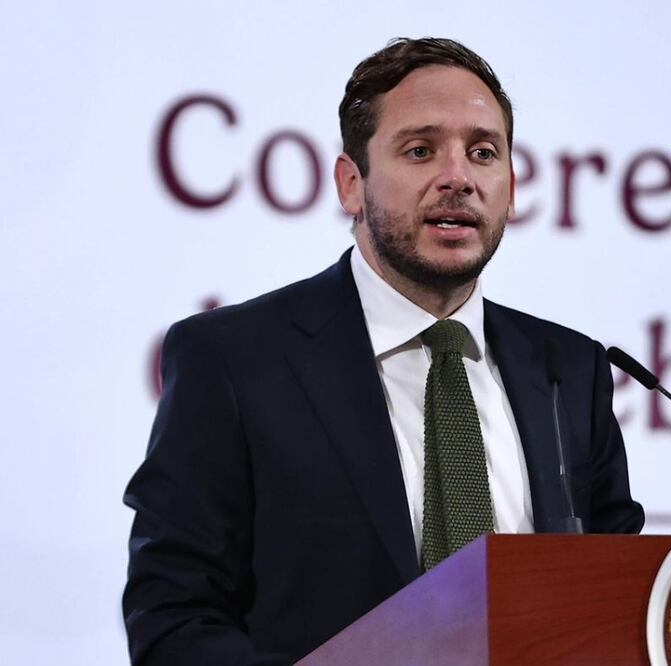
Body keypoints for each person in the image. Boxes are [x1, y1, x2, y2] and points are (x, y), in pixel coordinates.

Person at [122, 37, 644, 665]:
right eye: (420, 150)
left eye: (483, 153)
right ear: (351, 184)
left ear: (510, 186)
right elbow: (174, 619)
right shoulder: (235, 360)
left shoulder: (570, 370)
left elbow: (622, 604)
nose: (458, 178)